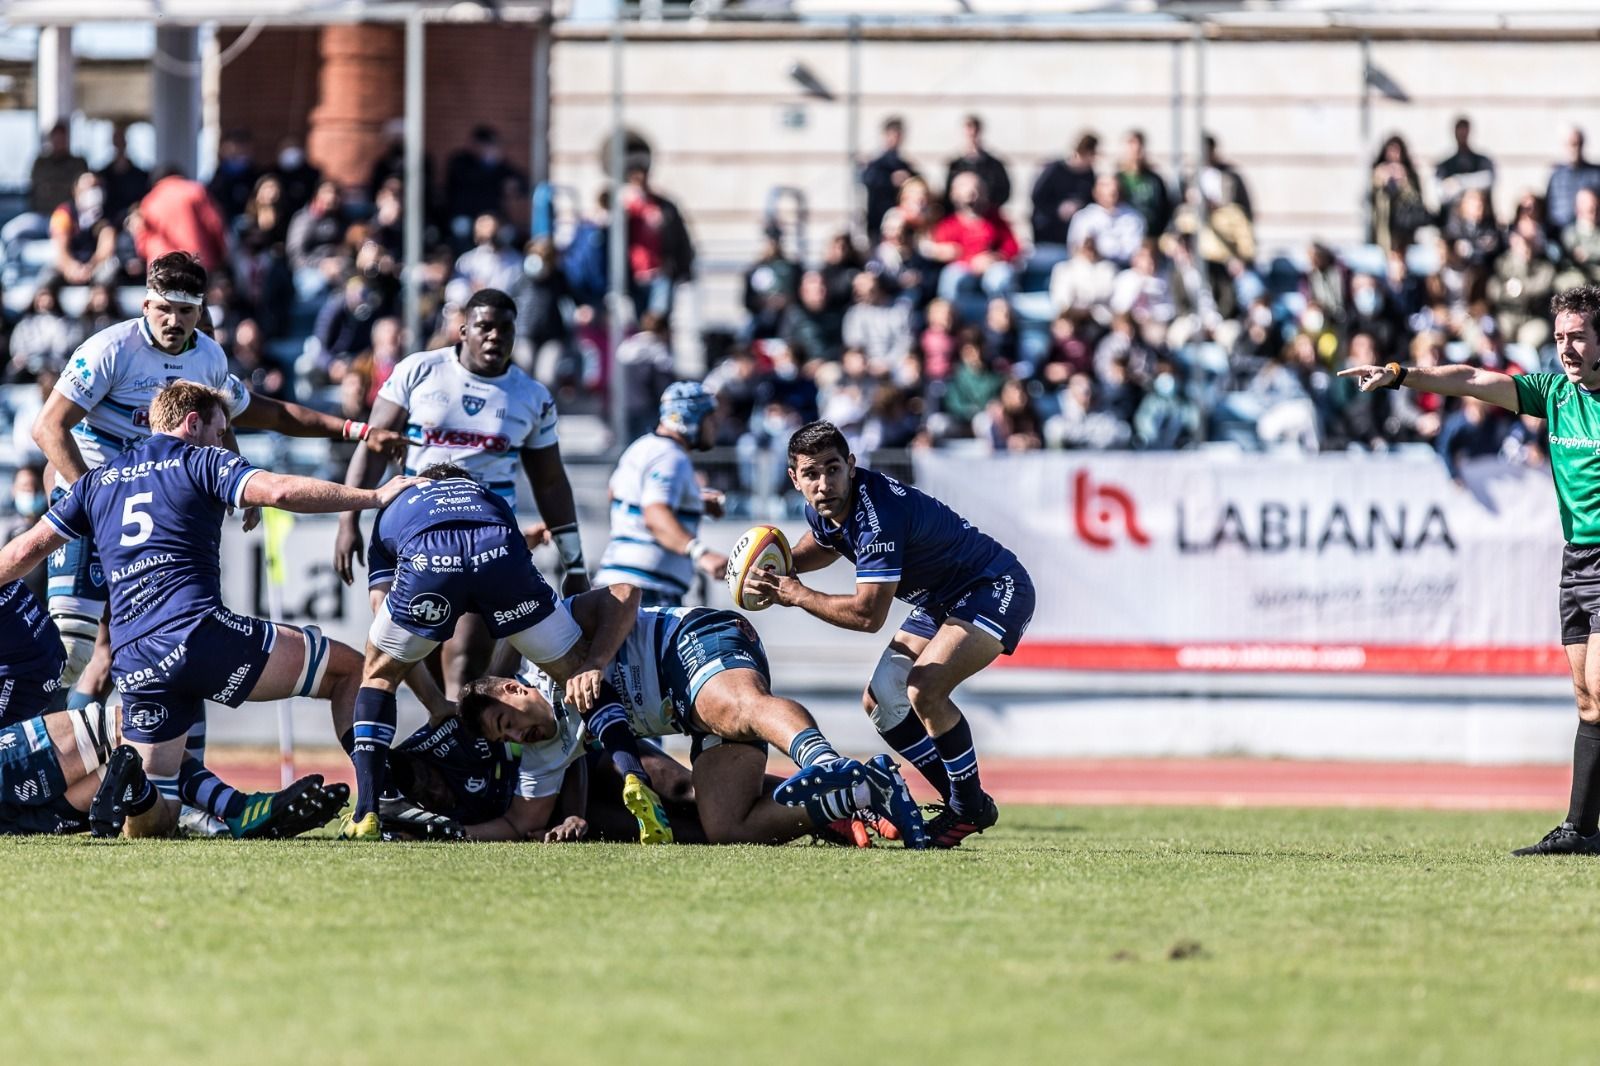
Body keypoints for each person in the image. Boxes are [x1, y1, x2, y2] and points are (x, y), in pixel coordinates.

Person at [31, 252, 405, 821]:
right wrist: (93, 500)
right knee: (77, 644)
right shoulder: (110, 349)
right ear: (145, 305)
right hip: (92, 492)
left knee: (145, 653)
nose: (173, 321)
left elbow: (261, 417)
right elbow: (47, 426)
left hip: (148, 510)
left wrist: (246, 472)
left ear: (201, 312)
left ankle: (177, 798)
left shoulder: (207, 359)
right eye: (163, 309)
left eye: (186, 311)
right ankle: (35, 765)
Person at [0, 381, 422, 839]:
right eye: (220, 432)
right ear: (192, 423)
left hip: (135, 660)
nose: (224, 442)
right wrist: (374, 497)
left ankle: (137, 789)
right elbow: (279, 492)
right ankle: (372, 809)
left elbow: (25, 550)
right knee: (352, 672)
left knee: (156, 819)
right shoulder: (201, 458)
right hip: (198, 635)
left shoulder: (99, 480)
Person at [1339, 285, 1600, 855]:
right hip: (1576, 558)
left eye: (1578, 335)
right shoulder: (1553, 393)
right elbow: (1472, 380)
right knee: (1588, 700)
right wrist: (1401, 373)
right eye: (1559, 338)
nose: (1567, 348)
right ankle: (1581, 831)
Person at [744, 420, 1036, 848]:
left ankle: (968, 807)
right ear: (794, 478)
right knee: (881, 698)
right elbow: (824, 544)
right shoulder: (827, 508)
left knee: (924, 689)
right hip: (942, 598)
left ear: (851, 465)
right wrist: (777, 569)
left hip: (992, 586)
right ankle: (965, 802)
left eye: (833, 469)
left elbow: (868, 615)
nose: (823, 483)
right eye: (811, 474)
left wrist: (797, 594)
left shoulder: (876, 517)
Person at [464, 587, 928, 846]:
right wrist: (441, 830)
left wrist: (595, 662)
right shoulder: (543, 745)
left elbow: (624, 594)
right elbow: (521, 822)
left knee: (732, 709)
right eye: (508, 740)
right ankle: (862, 788)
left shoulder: (552, 643)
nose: (519, 737)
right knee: (728, 827)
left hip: (690, 642)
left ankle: (823, 762)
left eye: (508, 723)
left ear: (514, 688)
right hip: (687, 712)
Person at [334, 287, 588, 698]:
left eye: (505, 329)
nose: (495, 337)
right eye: (485, 327)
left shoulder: (532, 396)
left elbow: (550, 482)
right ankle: (438, 744)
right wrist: (349, 519)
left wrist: (574, 562)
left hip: (485, 536)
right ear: (464, 329)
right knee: (407, 658)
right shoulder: (419, 370)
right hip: (417, 531)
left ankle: (469, 751)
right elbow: (374, 446)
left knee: (468, 661)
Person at [343, 464, 610, 840]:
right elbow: (510, 590)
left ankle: (367, 811)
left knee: (379, 674)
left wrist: (436, 704)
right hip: (496, 549)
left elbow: (382, 623)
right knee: (579, 671)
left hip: (429, 560)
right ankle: (632, 770)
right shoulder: (488, 497)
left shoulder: (398, 504)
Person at [595, 382, 728, 609]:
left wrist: (694, 501)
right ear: (690, 417)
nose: (715, 424)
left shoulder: (641, 447)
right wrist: (702, 554)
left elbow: (617, 495)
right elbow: (655, 514)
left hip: (616, 584)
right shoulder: (671, 457)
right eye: (710, 416)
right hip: (647, 591)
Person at [1030, 132, 1098, 248]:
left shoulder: (1089, 175)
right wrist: (1057, 209)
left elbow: (1092, 201)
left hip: (1074, 234)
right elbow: (1037, 197)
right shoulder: (1055, 170)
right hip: (1049, 232)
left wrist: (1079, 206)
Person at [860, 116, 918, 243]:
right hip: (878, 220)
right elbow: (868, 180)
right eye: (892, 135)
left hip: (900, 224)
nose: (895, 140)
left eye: (898, 135)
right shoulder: (876, 163)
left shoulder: (905, 165)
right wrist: (890, 180)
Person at [1435, 115, 1495, 227]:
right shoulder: (1444, 165)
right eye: (1459, 130)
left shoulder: (1482, 161)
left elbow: (1488, 179)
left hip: (1480, 223)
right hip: (1452, 224)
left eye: (1465, 130)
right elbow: (1441, 192)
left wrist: (1458, 182)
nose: (1462, 134)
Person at [944, 114, 1011, 212]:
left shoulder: (994, 165)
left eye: (975, 130)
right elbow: (948, 194)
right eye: (969, 130)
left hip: (988, 216)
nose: (972, 134)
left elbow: (1004, 192)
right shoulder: (955, 165)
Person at [29, 121, 87, 218]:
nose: (59, 142)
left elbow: (81, 191)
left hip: (69, 216)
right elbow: (35, 190)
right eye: (56, 137)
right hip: (42, 215)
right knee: (12, 232)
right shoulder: (41, 163)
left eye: (62, 138)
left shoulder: (78, 163)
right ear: (51, 139)